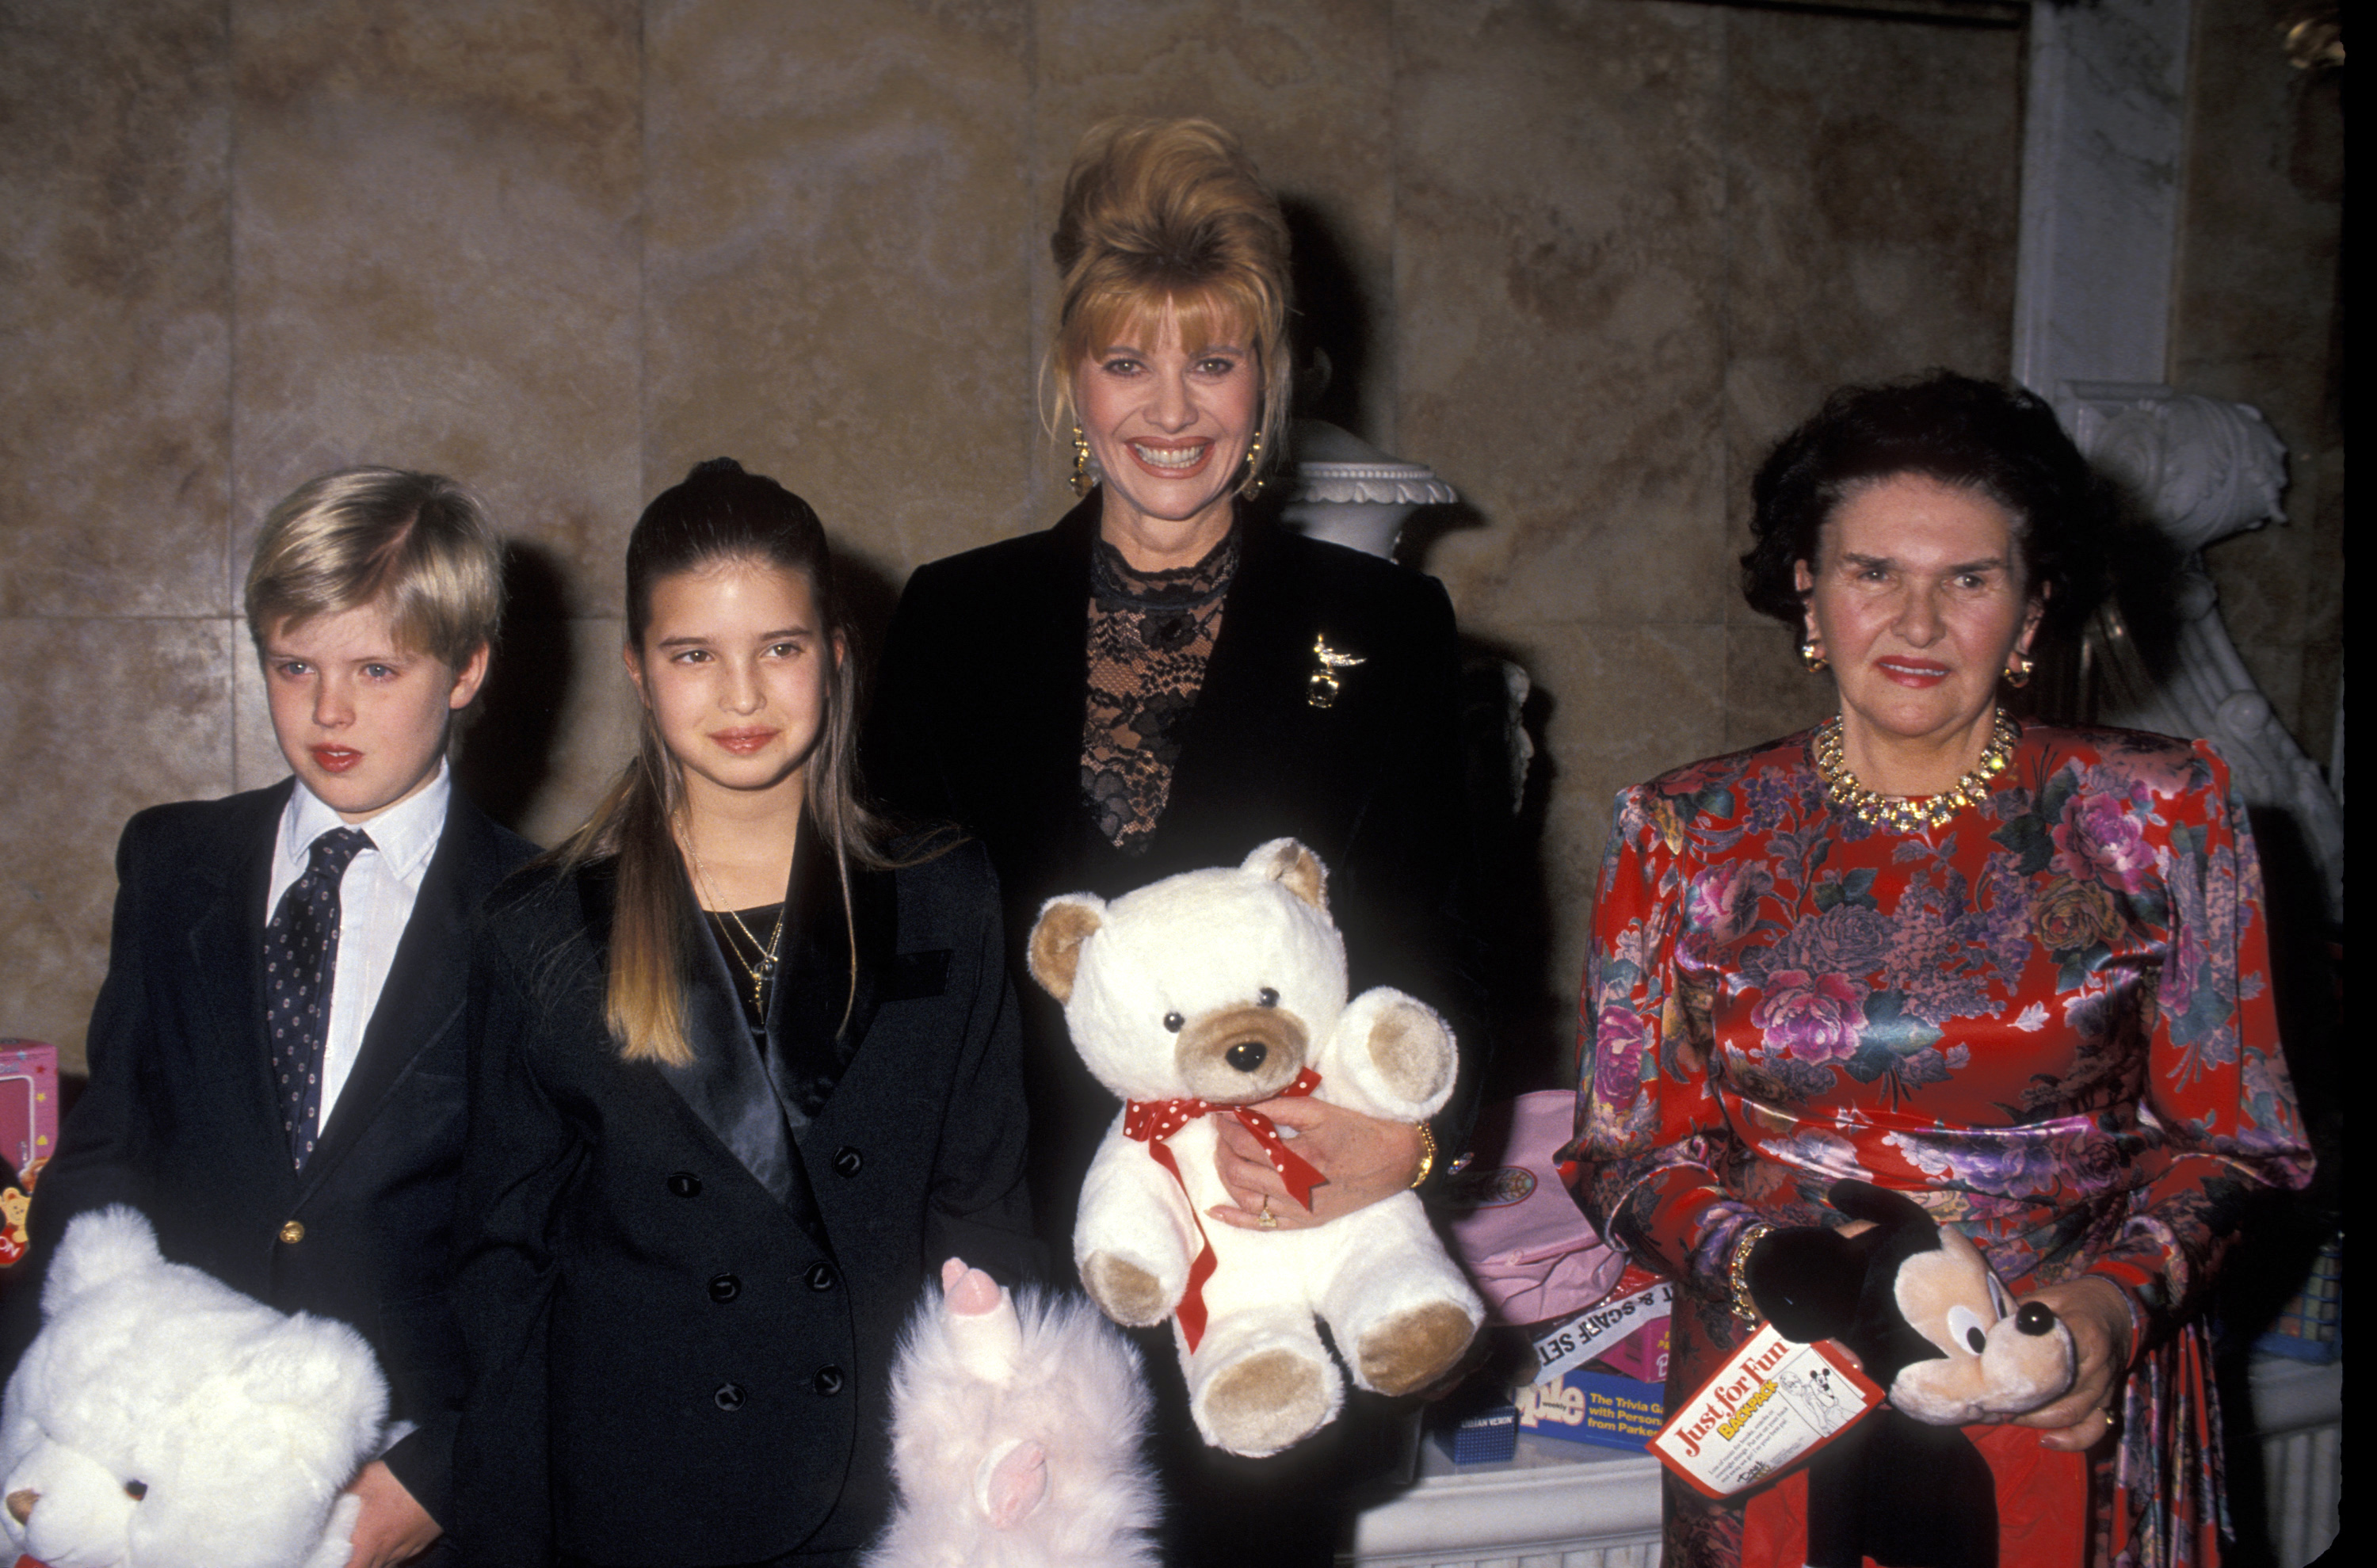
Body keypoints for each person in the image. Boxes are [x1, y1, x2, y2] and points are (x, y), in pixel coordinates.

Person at [864, 118, 1484, 1562]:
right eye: (1128, 361)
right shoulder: (956, 621)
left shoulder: (1385, 628)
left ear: (1267, 385)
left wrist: (1401, 1142)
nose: (1172, 409)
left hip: (1277, 1264)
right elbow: (903, 968)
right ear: (1072, 380)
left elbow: (1451, 942)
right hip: (1013, 1282)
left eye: (1215, 361)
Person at [1574, 372, 2314, 1567]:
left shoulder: (2164, 812)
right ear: (1809, 590)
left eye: (1969, 581)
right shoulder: (1682, 829)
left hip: (2068, 1400)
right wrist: (1792, 1273)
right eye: (1875, 573)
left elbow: (2243, 1141)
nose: (1917, 625)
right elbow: (1623, 1152)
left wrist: (2108, 1312)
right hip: (1786, 1386)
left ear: (2030, 613)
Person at [451, 460, 1032, 1568]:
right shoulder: (541, 932)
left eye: (780, 647)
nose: (744, 696)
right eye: (694, 656)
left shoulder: (943, 892)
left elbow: (988, 1207)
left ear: (837, 654)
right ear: (638, 671)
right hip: (641, 1500)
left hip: (893, 1490)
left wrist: (1011, 1469)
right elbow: (503, 1278)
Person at [2, 468, 536, 1567]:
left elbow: (562, 1244)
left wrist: (442, 1475)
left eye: (377, 670)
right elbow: (107, 1156)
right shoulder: (173, 862)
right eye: (295, 667)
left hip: (399, 1490)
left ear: (469, 668)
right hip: (157, 1477)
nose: (328, 711)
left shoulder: (548, 912)